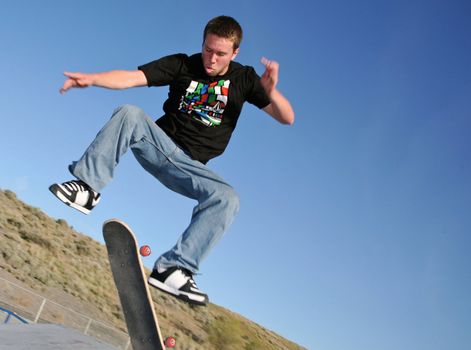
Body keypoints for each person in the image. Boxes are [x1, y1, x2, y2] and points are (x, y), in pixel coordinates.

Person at [49, 15, 294, 306]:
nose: (211, 59)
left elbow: (286, 117)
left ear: (235, 53)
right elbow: (131, 77)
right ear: (202, 43)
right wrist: (92, 79)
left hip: (191, 168)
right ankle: (86, 188)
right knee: (130, 113)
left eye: (220, 54)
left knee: (227, 197)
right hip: (158, 145)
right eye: (208, 49)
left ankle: (174, 268)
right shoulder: (183, 64)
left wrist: (271, 92)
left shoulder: (245, 79)